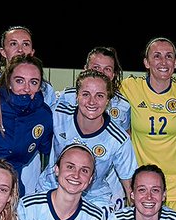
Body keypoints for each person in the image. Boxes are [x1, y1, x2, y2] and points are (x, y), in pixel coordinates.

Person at [119, 37, 176, 213]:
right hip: (144, 188)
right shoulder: (130, 86)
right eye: (157, 56)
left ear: (175, 63)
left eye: (169, 56)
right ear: (146, 62)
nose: (163, 61)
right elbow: (102, 84)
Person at [37, 69, 138, 209]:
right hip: (51, 188)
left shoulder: (118, 139)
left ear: (108, 100)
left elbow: (130, 186)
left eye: (100, 96)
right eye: (86, 94)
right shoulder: (58, 114)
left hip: (93, 198)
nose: (92, 102)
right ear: (76, 96)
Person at [0, 26, 56, 194]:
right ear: (3, 51)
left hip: (25, 166)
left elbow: (48, 139)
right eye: (13, 44)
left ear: (32, 51)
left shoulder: (46, 94)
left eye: (25, 44)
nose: (20, 49)